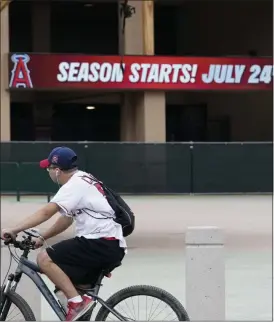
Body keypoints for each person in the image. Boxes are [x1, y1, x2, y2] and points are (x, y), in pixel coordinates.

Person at [1, 146, 127, 321]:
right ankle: (80, 303)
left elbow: (46, 212)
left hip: (100, 242)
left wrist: (13, 229)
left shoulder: (74, 185)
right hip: (108, 244)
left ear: (58, 170)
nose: (48, 171)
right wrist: (42, 237)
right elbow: (66, 220)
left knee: (44, 259)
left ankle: (77, 303)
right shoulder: (83, 178)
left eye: (49, 168)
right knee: (65, 286)